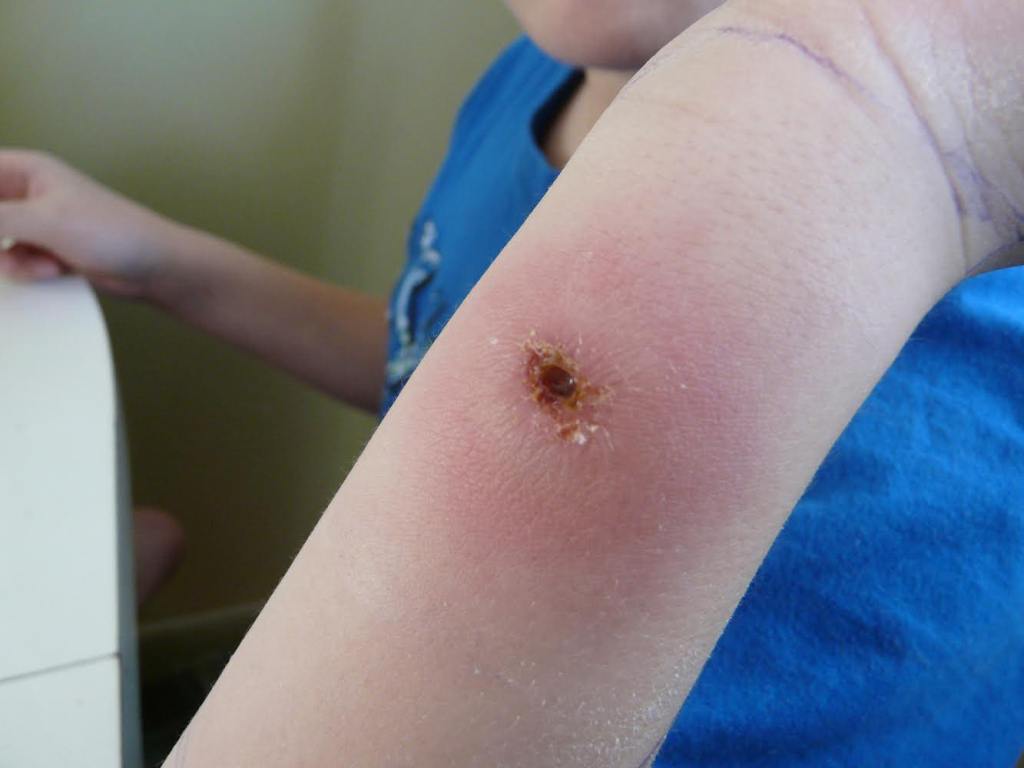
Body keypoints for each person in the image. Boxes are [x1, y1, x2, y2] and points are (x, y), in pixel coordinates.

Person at [1, 0, 1021, 764]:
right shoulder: (531, 83)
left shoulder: (960, 373)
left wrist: (883, 96)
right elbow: (425, 357)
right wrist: (164, 263)